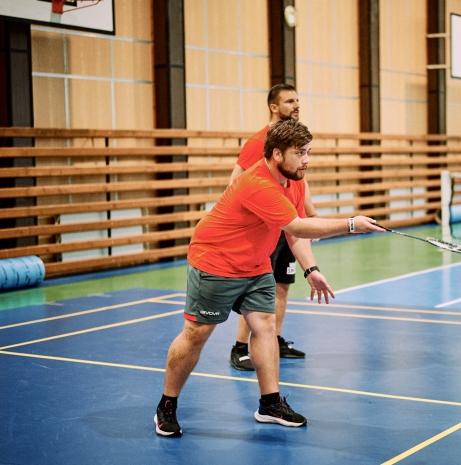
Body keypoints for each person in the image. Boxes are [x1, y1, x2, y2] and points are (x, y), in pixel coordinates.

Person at [154, 120, 384, 437]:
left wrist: (311, 269)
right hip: (216, 262)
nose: (306, 160)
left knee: (265, 325)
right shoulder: (257, 183)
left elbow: (294, 234)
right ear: (277, 154)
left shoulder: (295, 182)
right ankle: (167, 405)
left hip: (256, 264)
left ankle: (270, 403)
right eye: (300, 153)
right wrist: (351, 224)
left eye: (308, 152)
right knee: (197, 333)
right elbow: (298, 226)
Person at [228, 84, 316, 371]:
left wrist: (311, 215)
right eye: (289, 101)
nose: (296, 105)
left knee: (281, 286)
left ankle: (275, 340)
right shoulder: (259, 141)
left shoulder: (294, 141)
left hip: (287, 227)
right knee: (255, 289)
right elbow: (235, 182)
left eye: (298, 100)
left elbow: (300, 181)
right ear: (274, 107)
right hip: (265, 227)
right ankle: (240, 347)